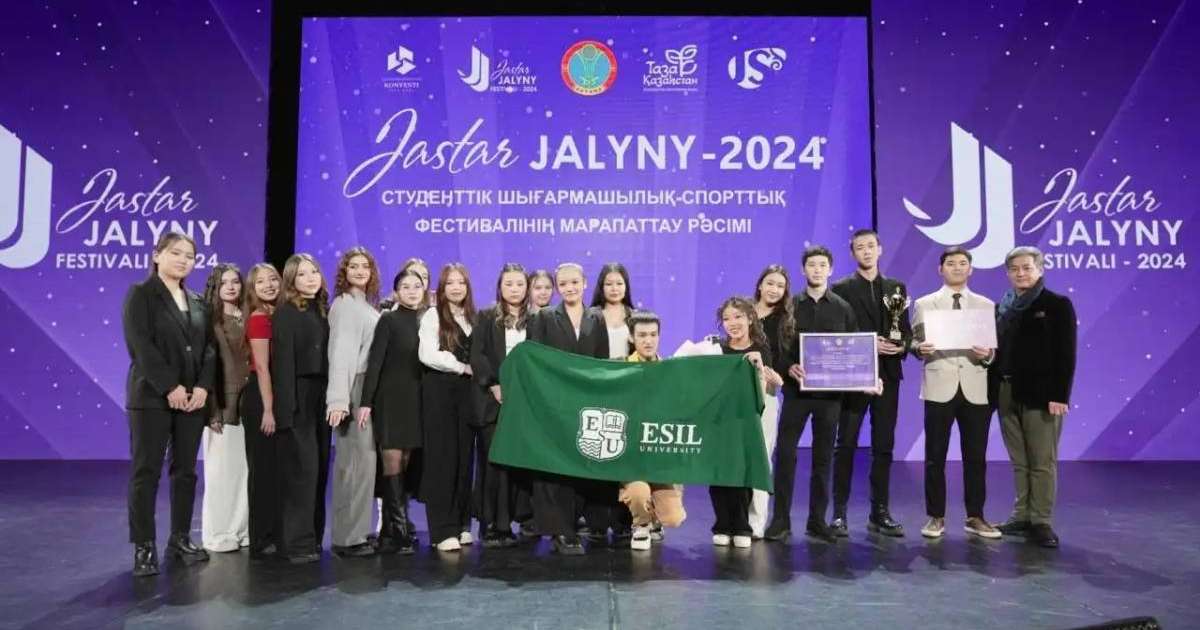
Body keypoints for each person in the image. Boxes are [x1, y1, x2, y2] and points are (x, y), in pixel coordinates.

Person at [122, 232, 216, 577]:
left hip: (193, 400)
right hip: (152, 398)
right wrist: (169, 386)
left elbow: (208, 348)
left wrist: (203, 387)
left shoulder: (197, 301)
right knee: (146, 472)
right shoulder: (141, 295)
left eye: (189, 256)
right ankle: (144, 546)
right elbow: (140, 346)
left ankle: (179, 539)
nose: (182, 260)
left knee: (186, 471)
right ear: (157, 255)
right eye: (175, 253)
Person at [764, 246, 858, 544]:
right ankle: (780, 520)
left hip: (831, 397)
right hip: (796, 393)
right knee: (787, 456)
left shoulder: (843, 308)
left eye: (822, 265)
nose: (817, 270)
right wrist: (787, 366)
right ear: (804, 271)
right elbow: (777, 349)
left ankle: (817, 520)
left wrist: (861, 378)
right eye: (811, 265)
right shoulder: (789, 307)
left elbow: (854, 350)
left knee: (822, 459)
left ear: (830, 270)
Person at [911, 246, 1001, 540]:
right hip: (939, 385)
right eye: (951, 263)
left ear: (971, 269)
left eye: (963, 263)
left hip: (975, 388)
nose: (958, 268)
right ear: (941, 269)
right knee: (935, 455)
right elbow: (914, 341)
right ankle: (935, 517)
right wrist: (917, 348)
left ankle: (975, 516)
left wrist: (987, 355)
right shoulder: (925, 304)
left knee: (975, 456)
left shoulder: (986, 305)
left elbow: (993, 351)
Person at [991, 246, 1076, 548]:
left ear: (1040, 269)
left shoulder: (1056, 305)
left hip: (1042, 396)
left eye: (1027, 268)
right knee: (1019, 461)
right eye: (1014, 269)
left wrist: (1059, 395)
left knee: (1042, 461)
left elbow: (1066, 354)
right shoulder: (1002, 306)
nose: (1021, 273)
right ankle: (1022, 515)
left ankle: (1041, 521)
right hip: (1006, 391)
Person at [829, 229, 909, 537]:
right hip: (852, 376)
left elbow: (904, 330)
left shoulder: (896, 287)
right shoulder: (841, 289)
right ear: (852, 254)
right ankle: (839, 514)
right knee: (845, 444)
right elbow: (835, 334)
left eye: (871, 246)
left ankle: (880, 511)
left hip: (888, 376)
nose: (866, 251)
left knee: (884, 446)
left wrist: (902, 346)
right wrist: (867, 345)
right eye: (860, 247)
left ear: (880, 249)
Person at [526, 262, 610, 555]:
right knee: (554, 469)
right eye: (563, 284)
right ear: (557, 287)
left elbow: (603, 363)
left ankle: (573, 524)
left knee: (578, 467)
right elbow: (532, 360)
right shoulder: (545, 316)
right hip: (554, 403)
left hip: (586, 404)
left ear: (585, 283)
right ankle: (559, 531)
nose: (570, 288)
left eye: (575, 282)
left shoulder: (596, 318)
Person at [359, 267, 427, 554]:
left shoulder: (428, 320)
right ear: (397, 291)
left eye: (417, 286)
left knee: (407, 461)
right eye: (406, 286)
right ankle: (398, 531)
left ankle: (391, 529)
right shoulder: (388, 320)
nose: (412, 291)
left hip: (416, 400)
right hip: (391, 399)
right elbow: (375, 362)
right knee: (392, 462)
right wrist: (366, 401)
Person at [271, 253, 331, 563]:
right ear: (291, 280)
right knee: (301, 472)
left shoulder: (322, 310)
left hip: (322, 394)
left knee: (319, 470)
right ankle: (296, 542)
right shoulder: (286, 313)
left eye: (315, 272)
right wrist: (287, 410)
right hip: (297, 395)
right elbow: (282, 365)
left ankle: (314, 537)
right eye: (303, 274)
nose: (311, 278)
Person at [419, 263, 480, 552]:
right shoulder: (433, 315)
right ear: (441, 289)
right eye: (450, 283)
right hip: (440, 393)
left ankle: (461, 523)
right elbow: (427, 354)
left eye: (461, 283)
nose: (456, 287)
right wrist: (460, 366)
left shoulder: (473, 318)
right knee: (443, 459)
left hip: (466, 396)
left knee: (464, 457)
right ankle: (441, 530)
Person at [713, 297, 783, 548]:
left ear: (750, 318)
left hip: (752, 416)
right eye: (727, 318)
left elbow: (767, 386)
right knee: (720, 471)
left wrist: (773, 381)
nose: (732, 323)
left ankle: (745, 525)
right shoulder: (717, 349)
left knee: (747, 469)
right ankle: (722, 524)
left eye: (738, 317)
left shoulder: (762, 349)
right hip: (722, 419)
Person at [468, 263, 531, 547]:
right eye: (509, 284)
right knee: (493, 463)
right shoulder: (485, 316)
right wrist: (493, 383)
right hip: (492, 401)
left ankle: (516, 520)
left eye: (519, 284)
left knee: (517, 463)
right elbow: (477, 354)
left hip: (525, 403)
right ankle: (492, 523)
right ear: (500, 287)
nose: (514, 289)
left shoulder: (537, 319)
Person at [325, 247, 382, 557]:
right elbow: (342, 354)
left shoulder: (364, 305)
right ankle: (348, 538)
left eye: (366, 266)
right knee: (354, 463)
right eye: (354, 266)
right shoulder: (346, 305)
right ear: (343, 272)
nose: (361, 271)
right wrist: (338, 400)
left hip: (364, 388)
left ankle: (359, 530)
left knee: (363, 462)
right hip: (354, 388)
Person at [620, 310, 687, 551]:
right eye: (642, 335)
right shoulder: (619, 369)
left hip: (660, 454)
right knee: (638, 494)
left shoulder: (671, 370)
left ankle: (658, 518)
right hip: (631, 457)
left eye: (653, 334)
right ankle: (640, 525)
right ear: (631, 338)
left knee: (674, 518)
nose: (648, 340)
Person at [582, 262, 637, 543]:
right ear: (601, 287)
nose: (614, 288)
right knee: (596, 454)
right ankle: (596, 520)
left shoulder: (637, 316)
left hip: (627, 394)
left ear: (626, 286)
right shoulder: (590, 316)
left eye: (619, 283)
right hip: (597, 393)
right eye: (609, 284)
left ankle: (623, 519)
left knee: (623, 456)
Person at [200, 263, 250, 553]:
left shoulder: (247, 316)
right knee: (221, 473)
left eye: (236, 281)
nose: (231, 287)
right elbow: (208, 367)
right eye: (224, 283)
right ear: (216, 288)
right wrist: (212, 410)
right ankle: (218, 533)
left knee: (244, 471)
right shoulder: (211, 320)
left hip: (248, 403)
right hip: (223, 404)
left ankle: (241, 530)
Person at [240, 263, 283, 558]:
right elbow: (263, 367)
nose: (268, 285)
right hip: (260, 398)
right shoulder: (257, 318)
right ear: (252, 289)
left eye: (273, 280)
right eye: (261, 282)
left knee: (277, 471)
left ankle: (276, 532)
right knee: (263, 470)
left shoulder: (277, 315)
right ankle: (260, 537)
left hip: (277, 395)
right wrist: (268, 409)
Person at [749, 264, 792, 539]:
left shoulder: (787, 320)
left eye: (780, 285)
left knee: (762, 458)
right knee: (737, 459)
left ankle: (757, 522)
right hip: (737, 396)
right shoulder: (743, 314)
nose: (774, 289)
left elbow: (787, 358)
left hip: (767, 395)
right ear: (760, 285)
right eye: (770, 283)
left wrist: (781, 375)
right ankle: (736, 519)